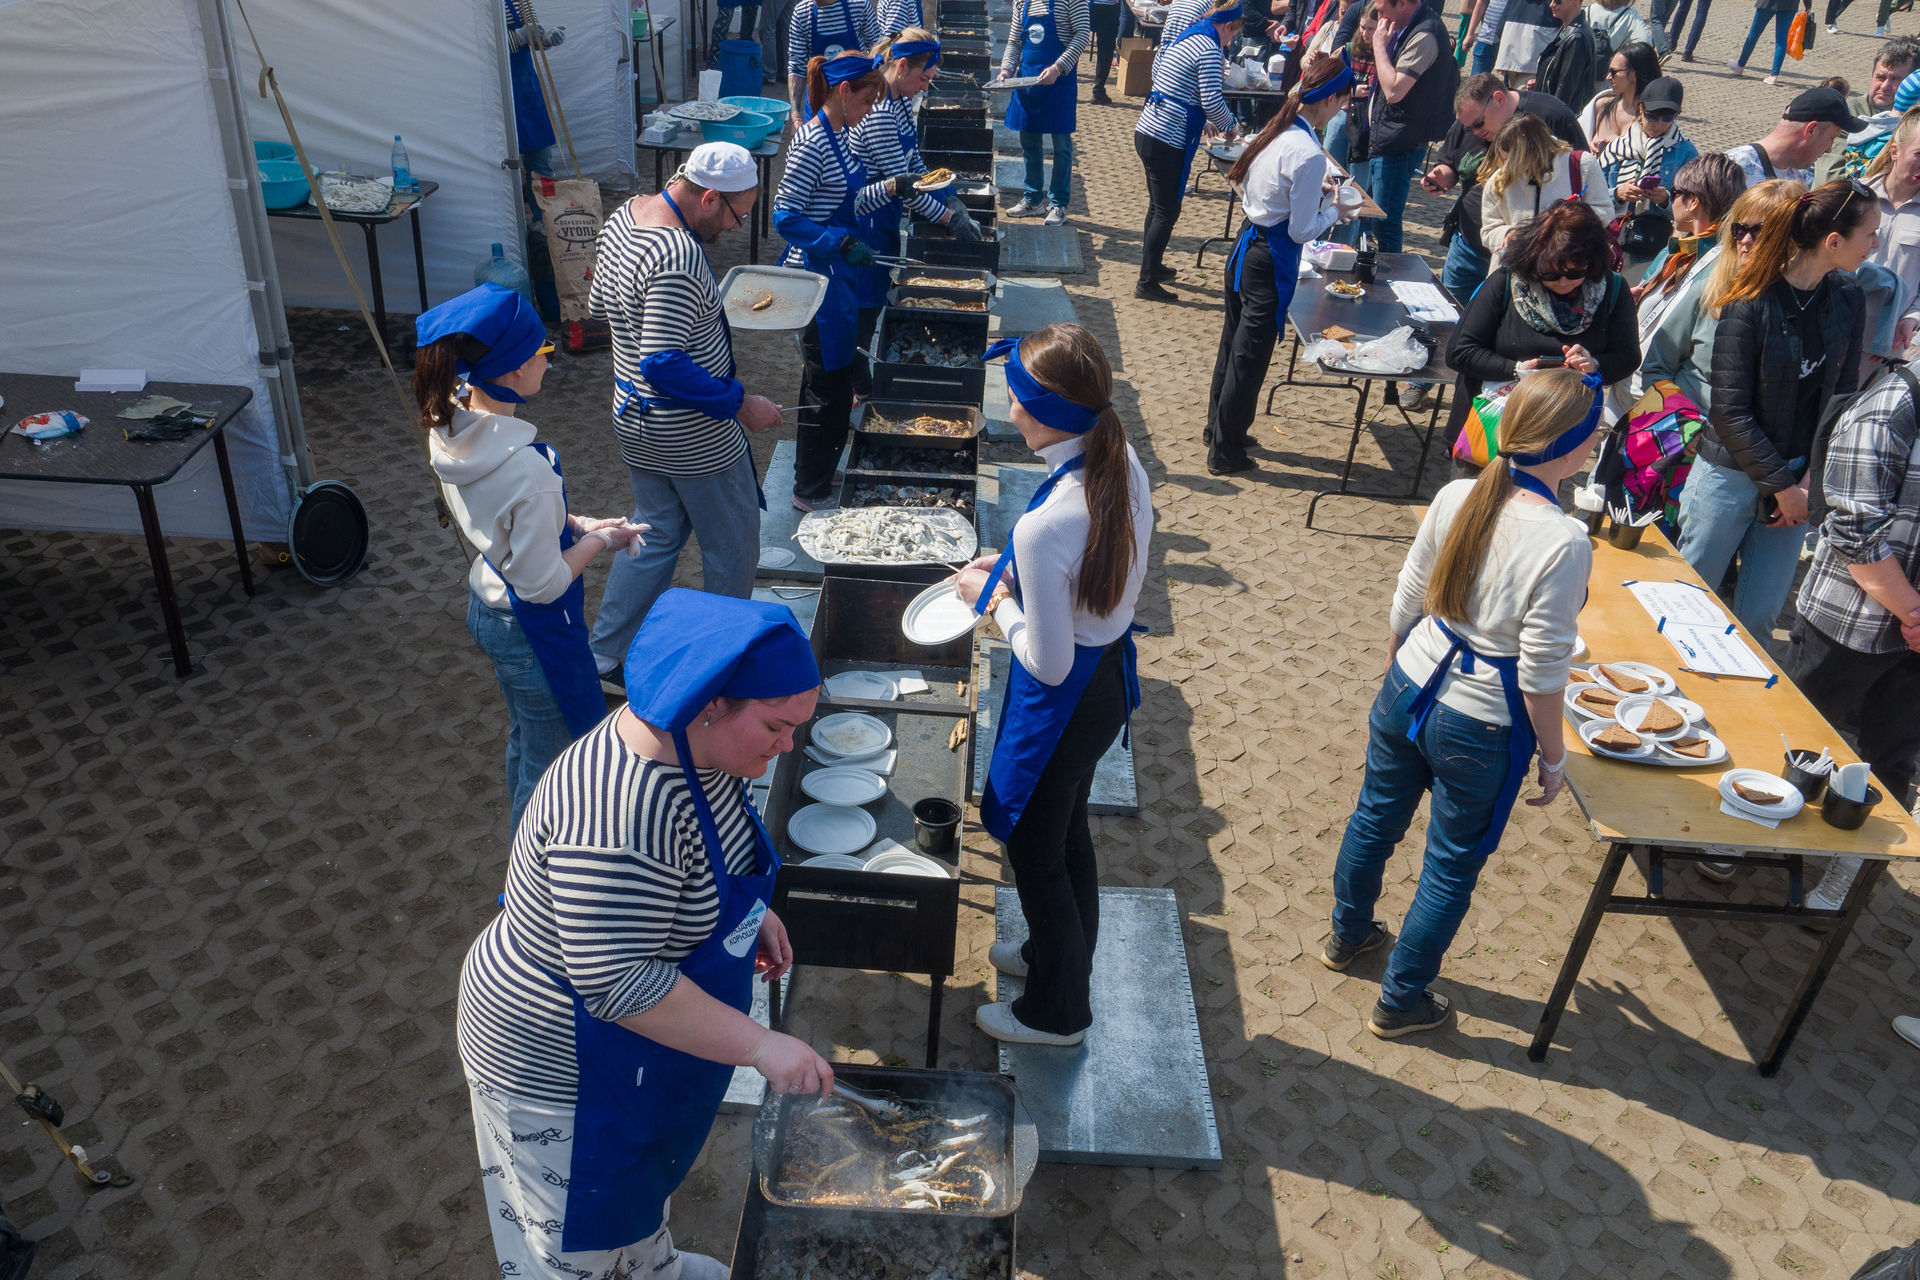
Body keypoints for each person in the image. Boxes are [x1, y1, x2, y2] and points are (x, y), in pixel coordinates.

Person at [457, 589, 835, 1280]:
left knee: (635, 1180)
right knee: (570, 1239)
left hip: (627, 1044)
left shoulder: (705, 749)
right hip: (557, 1055)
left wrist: (753, 916)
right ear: (709, 703)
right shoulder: (620, 814)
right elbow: (619, 983)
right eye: (778, 727)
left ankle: (650, 1266)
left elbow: (709, 860)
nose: (789, 746)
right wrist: (760, 1044)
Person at [1325, 370, 1601, 1038]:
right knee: (1449, 869)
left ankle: (1347, 937)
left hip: (1411, 681)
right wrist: (1556, 758)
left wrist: (1397, 658)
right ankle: (1400, 1002)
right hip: (1482, 719)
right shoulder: (1564, 540)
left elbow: (1410, 591)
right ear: (1569, 449)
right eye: (1592, 436)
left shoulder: (1457, 494)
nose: (1596, 446)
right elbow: (1541, 671)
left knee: (1373, 819)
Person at [954, 325, 1154, 1047]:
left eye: (1015, 401)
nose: (1007, 413)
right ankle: (1053, 955)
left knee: (1036, 854)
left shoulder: (1050, 523)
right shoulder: (1120, 458)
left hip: (1067, 696)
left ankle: (1058, 1013)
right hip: (1106, 683)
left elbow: (1048, 662)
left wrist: (993, 602)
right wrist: (1010, 580)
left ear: (1050, 414)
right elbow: (1081, 582)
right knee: (1067, 836)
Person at [416, 285, 643, 833]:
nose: (549, 355)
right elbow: (542, 585)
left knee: (526, 736)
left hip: (485, 601)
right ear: (515, 370)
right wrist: (600, 543)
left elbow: (508, 514)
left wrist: (576, 523)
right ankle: (528, 893)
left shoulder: (450, 419)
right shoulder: (531, 470)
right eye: (541, 348)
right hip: (528, 628)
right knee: (552, 772)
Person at [588, 144, 782, 686]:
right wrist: (740, 404)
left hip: (635, 423)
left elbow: (603, 306)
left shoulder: (625, 216)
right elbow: (663, 362)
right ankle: (718, 667)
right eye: (736, 214)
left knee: (651, 536)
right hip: (691, 434)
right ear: (708, 196)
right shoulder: (678, 254)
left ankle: (603, 657)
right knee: (733, 547)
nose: (733, 226)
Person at [1683, 179, 1875, 643]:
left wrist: (1808, 480)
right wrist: (1784, 487)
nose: (1875, 245)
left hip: (1798, 482)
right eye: (1870, 234)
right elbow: (1729, 411)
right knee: (1686, 603)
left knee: (1760, 619)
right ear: (1833, 242)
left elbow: (1841, 400)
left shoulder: (1848, 296)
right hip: (1728, 477)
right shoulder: (1749, 300)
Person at [1784, 363, 1920, 911]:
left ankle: (1843, 878)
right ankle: (1746, 833)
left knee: (1892, 761)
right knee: (1799, 736)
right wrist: (1913, 612)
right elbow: (1853, 529)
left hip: (1911, 639)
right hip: (1849, 618)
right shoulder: (1891, 406)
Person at [774, 54, 918, 511]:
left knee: (836, 380)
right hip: (817, 276)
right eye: (867, 99)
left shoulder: (840, 138)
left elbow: (852, 201)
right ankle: (807, 489)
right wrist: (837, 244)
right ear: (844, 92)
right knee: (824, 381)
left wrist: (894, 186)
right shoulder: (812, 141)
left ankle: (821, 470)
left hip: (839, 274)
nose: (871, 110)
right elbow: (785, 215)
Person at [1203, 55, 1356, 473]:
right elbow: (1301, 231)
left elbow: (1262, 188)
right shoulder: (1307, 152)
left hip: (1247, 247)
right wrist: (1335, 212)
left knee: (1231, 344)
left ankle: (1218, 429)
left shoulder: (1279, 128)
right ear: (1331, 99)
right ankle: (1225, 450)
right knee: (1248, 358)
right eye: (1344, 101)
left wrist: (1316, 197)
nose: (1344, 109)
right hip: (1268, 259)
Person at [1447, 200, 1639, 456]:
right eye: (1550, 274)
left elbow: (1627, 357)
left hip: (1554, 433)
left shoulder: (1612, 290)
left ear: (1592, 264)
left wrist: (1594, 365)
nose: (1562, 282)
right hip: (1486, 427)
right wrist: (1514, 370)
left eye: (1574, 273)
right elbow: (1460, 351)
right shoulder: (1506, 281)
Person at [851, 33, 982, 350]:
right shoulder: (879, 111)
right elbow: (906, 186)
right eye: (923, 79)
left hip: (885, 216)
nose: (925, 88)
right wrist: (949, 219)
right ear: (902, 66)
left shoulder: (899, 102)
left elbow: (915, 162)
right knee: (862, 311)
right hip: (865, 221)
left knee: (875, 300)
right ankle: (854, 382)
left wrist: (948, 195)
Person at [1422, 73, 1587, 303]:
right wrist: (1442, 175)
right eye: (1468, 128)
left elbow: (1580, 175)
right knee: (1447, 317)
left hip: (1524, 261)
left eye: (1478, 125)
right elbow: (1450, 162)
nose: (1475, 132)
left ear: (1498, 98)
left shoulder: (1551, 115)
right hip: (1468, 246)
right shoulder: (1470, 118)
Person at [1134, 1, 1245, 300]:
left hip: (1150, 129)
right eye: (1231, 35)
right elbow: (1210, 99)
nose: (1230, 41)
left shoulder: (1190, 36)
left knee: (1158, 207)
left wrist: (1203, 120)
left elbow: (1181, 86)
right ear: (1225, 26)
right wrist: (1231, 125)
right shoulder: (1209, 48)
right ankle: (1146, 282)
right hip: (1165, 138)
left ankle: (1152, 266)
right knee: (1166, 211)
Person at [1624, 153, 1752, 408]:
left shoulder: (1725, 267)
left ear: (1693, 201)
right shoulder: (1674, 251)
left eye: (1675, 192)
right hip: (1631, 390)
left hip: (1661, 406)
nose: (1671, 200)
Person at [1364, 0, 1458, 253]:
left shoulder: (1425, 33)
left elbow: (1394, 90)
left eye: (1382, 8)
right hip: (1388, 135)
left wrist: (1379, 47)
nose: (1377, 13)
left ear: (1403, 4)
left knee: (1384, 223)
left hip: (1400, 142)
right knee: (1371, 218)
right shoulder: (1410, 26)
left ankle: (1390, 281)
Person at [998, 0, 1090, 225]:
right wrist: (1006, 69)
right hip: (1028, 79)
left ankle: (1058, 204)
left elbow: (1082, 35)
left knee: (1061, 146)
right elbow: (1014, 40)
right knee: (1029, 142)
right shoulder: (1022, 2)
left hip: (1059, 82)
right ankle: (1032, 199)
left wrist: (1058, 68)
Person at [1597, 76, 1698, 267]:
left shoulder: (1686, 152)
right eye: (1651, 115)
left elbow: (1694, 208)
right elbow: (1589, 194)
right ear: (1640, 109)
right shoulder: (1617, 147)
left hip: (1654, 244)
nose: (1658, 124)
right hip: (1608, 239)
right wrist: (1618, 193)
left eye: (1666, 118)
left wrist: (1666, 200)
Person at [1479, 114, 1614, 253]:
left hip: (1569, 265)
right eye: (1504, 159)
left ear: (1534, 151)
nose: (1507, 167)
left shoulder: (1581, 165)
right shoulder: (1499, 180)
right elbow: (1488, 230)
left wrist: (1569, 221)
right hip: (1517, 268)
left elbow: (1605, 211)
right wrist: (1507, 234)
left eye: (1512, 160)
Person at [1858, 108, 1920, 365]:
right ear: (1894, 152)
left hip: (1891, 345)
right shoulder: (1857, 196)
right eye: (1919, 154)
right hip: (1838, 331)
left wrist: (1912, 318)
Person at [1727, 87, 1868, 188]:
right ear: (1811, 130)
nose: (1829, 149)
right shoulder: (1732, 170)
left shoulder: (1800, 174)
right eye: (1832, 138)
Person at [1814, 61, 1920, 187]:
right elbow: (1828, 173)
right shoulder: (1848, 113)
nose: (1885, 86)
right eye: (1880, 77)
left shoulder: (1875, 126)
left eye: (1895, 79)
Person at [786, 0, 881, 115]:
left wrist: (873, 100)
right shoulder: (802, 13)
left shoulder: (859, 5)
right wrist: (795, 114)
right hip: (818, 101)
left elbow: (877, 50)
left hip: (855, 100)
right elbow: (797, 67)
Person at [1579, 39, 1659, 150]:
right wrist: (1585, 146)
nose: (1608, 77)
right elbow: (1575, 139)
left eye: (1614, 72)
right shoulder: (1600, 105)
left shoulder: (1655, 118)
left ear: (1633, 75)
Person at [1532, 0, 1599, 115]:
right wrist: (1541, 83)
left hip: (1561, 117)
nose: (1552, 5)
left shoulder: (1576, 37)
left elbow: (1565, 90)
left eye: (1558, 1)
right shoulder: (1570, 29)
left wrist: (1550, 118)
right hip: (1560, 112)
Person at [1727, 0, 1812, 84]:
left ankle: (1740, 65)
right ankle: (1774, 75)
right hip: (1790, 4)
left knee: (1754, 34)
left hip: (1768, 3)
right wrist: (1808, 6)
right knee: (1781, 40)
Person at [1464, 0, 1512, 73]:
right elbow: (1482, 2)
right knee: (1477, 81)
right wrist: (1470, 33)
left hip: (1512, 40)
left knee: (1510, 82)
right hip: (1487, 37)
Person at [1091, 0, 1126, 102]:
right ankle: (1098, 90)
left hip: (1085, 5)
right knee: (1105, 51)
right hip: (1108, 7)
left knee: (1075, 45)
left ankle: (1064, 86)